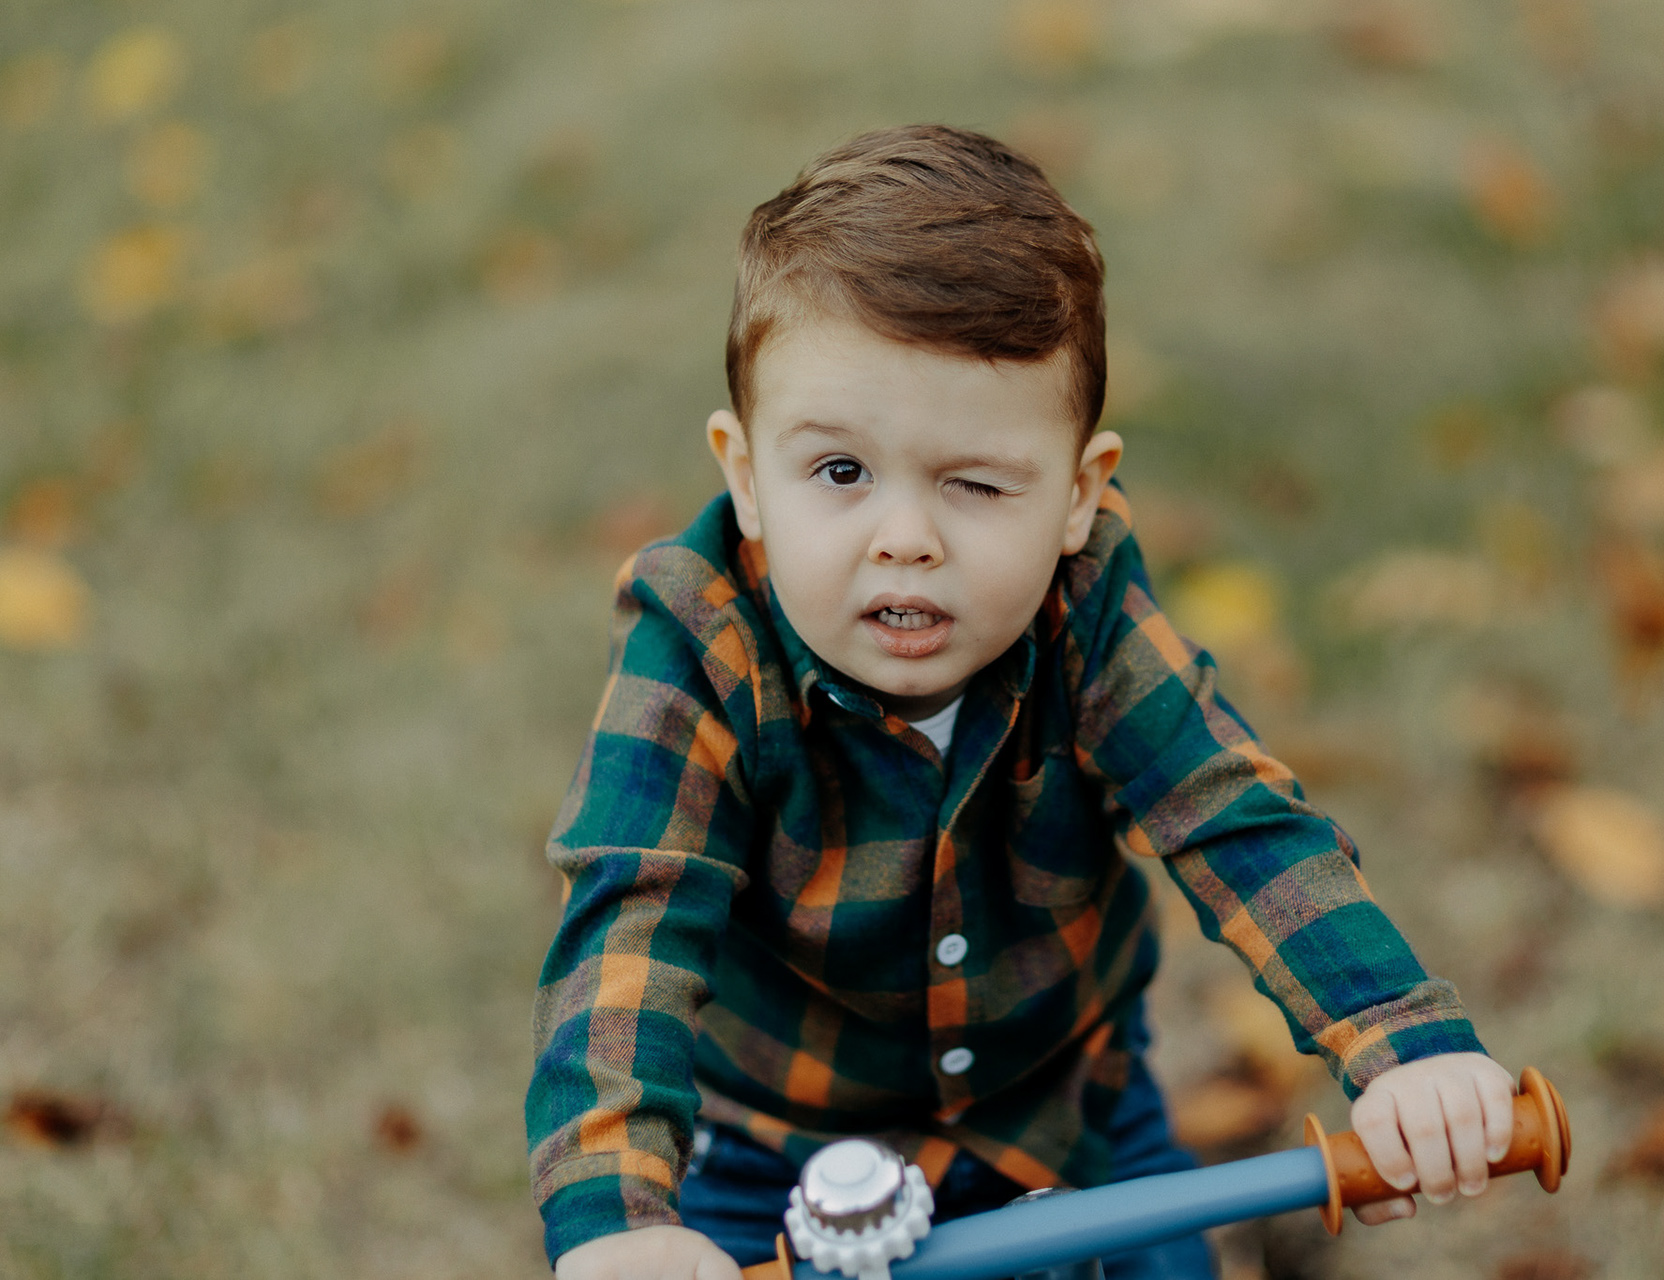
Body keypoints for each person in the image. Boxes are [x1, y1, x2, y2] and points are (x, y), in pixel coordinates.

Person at [526, 124, 1514, 1280]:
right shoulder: (700, 643)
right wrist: (618, 1211)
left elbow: (1228, 812)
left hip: (1070, 1109)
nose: (906, 537)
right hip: (776, 1146)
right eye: (840, 471)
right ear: (745, 474)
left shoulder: (1083, 613)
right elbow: (631, 913)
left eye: (978, 483)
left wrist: (1402, 1039)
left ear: (1078, 496)